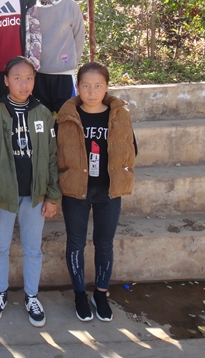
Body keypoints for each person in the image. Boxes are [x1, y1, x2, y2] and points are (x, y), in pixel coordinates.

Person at [0, 56, 61, 328]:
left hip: (34, 196)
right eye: (17, 78)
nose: (24, 84)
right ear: (6, 81)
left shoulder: (43, 113)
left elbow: (52, 157)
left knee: (33, 249)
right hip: (2, 197)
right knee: (0, 247)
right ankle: (0, 293)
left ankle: (31, 296)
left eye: (29, 79)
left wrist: (52, 195)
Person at [56, 61, 137, 322]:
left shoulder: (119, 115)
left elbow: (131, 148)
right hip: (76, 191)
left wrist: (122, 172)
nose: (92, 92)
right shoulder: (66, 116)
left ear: (107, 87)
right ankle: (80, 294)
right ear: (77, 87)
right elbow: (56, 152)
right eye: (86, 86)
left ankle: (100, 294)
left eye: (98, 86)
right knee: (76, 243)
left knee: (104, 243)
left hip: (108, 191)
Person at [30, 0, 85, 113]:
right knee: (41, 119)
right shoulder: (31, 10)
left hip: (64, 75)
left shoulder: (70, 6)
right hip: (39, 76)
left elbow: (79, 37)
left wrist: (70, 62)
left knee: (67, 118)